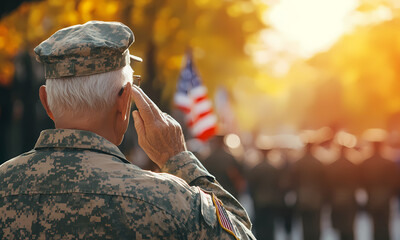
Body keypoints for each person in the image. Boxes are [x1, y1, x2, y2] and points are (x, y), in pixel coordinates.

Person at [0, 21, 255, 240]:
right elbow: (241, 232)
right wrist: (179, 160)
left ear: (45, 102)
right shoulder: (167, 199)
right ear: (124, 100)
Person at [359, 132, 400, 240]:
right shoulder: (389, 163)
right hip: (385, 198)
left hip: (372, 197)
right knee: (385, 226)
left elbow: (362, 182)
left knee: (375, 225)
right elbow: (395, 182)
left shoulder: (365, 163)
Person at [326, 137, 359, 240]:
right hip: (349, 200)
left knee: (339, 226)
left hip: (336, 200)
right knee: (349, 227)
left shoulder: (331, 166)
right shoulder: (353, 165)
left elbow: (328, 185)